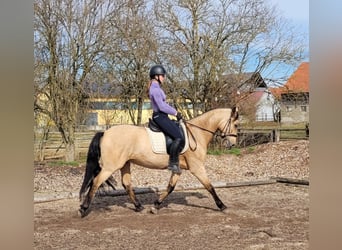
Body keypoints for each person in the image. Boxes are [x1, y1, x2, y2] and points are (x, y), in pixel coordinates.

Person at [148, 65, 184, 174]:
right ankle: (173, 163)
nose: (164, 77)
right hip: (160, 116)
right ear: (156, 76)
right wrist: (175, 113)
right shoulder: (155, 90)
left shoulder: (157, 88)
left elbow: (164, 105)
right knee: (178, 136)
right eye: (162, 75)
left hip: (162, 116)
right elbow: (162, 106)